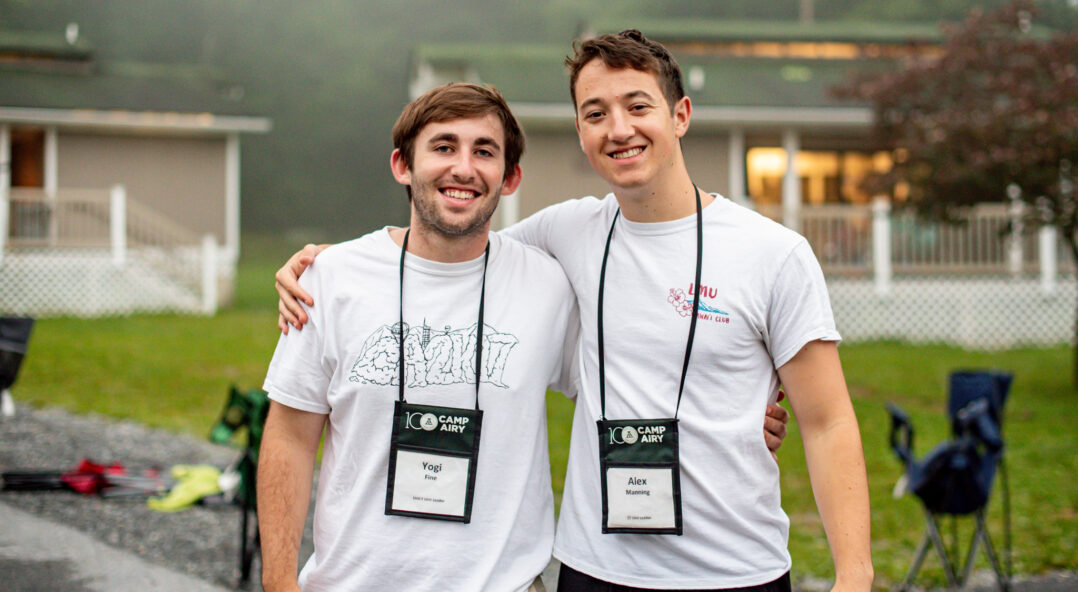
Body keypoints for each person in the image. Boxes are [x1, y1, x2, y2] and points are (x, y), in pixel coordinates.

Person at [275, 30, 868, 592]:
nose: (619, 129)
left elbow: (828, 421)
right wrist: (336, 265)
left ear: (680, 115)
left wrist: (855, 577)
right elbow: (452, 238)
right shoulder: (566, 234)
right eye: (594, 114)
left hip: (737, 568)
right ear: (581, 132)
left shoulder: (773, 254)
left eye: (638, 106)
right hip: (595, 568)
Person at [258, 83, 581, 592]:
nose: (464, 168)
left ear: (510, 176)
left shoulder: (550, 287)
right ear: (403, 165)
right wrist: (278, 582)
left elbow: (624, 387)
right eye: (444, 146)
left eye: (484, 151)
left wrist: (753, 406)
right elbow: (290, 438)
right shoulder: (331, 279)